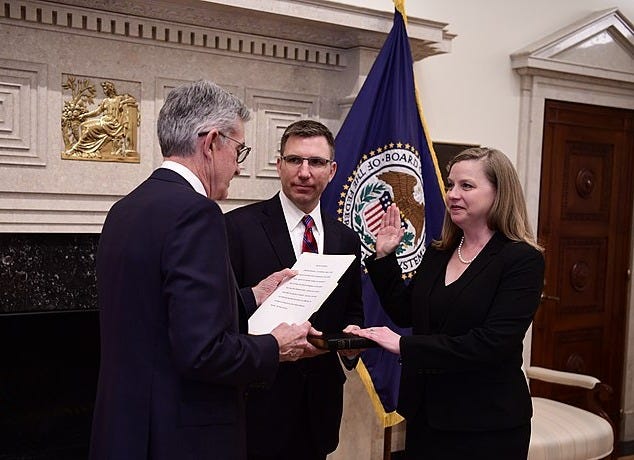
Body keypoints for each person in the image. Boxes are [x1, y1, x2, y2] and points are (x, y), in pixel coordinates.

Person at [89, 80, 314, 460]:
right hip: (179, 438)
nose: (238, 168)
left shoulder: (124, 209)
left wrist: (251, 296)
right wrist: (275, 346)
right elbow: (204, 353)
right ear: (211, 143)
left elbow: (158, 314)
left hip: (125, 430)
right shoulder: (197, 213)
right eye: (238, 151)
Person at [353, 147, 545, 459]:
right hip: (426, 416)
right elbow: (406, 310)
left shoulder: (522, 259)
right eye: (450, 185)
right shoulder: (441, 251)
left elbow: (491, 343)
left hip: (487, 425)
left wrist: (406, 346)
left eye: (466, 186)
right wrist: (384, 257)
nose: (452, 194)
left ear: (499, 193)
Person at [225, 120, 364, 460]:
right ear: (279, 165)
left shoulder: (345, 237)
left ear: (331, 170)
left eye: (315, 163)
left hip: (319, 406)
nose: (304, 172)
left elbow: (353, 311)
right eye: (294, 160)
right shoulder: (236, 227)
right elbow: (223, 315)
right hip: (256, 405)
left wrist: (350, 343)